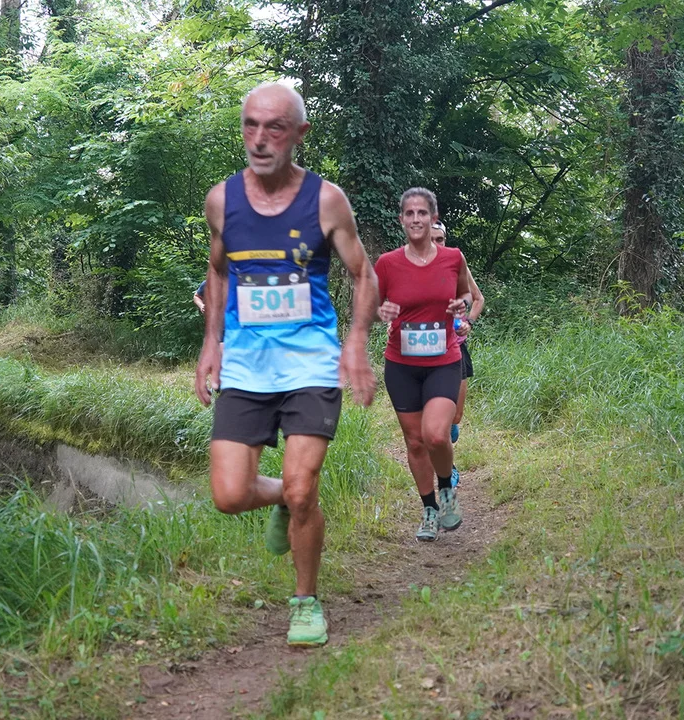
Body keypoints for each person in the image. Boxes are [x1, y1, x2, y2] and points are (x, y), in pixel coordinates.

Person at [194, 82, 378, 648]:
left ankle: (305, 602)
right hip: (247, 367)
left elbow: (363, 274)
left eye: (274, 127)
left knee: (304, 489)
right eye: (250, 125)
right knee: (229, 495)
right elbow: (218, 270)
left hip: (311, 366)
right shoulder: (221, 200)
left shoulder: (326, 200)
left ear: (299, 133)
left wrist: (356, 340)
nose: (259, 139)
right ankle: (280, 497)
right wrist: (211, 341)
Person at [375, 189, 472, 542]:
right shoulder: (387, 263)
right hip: (401, 364)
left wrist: (461, 306)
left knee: (435, 434)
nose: (416, 219)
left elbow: (466, 293)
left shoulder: (453, 257)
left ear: (433, 217)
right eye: (409, 213)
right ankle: (429, 509)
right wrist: (382, 311)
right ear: (401, 219)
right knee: (415, 442)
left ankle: (446, 488)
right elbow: (374, 305)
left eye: (422, 213)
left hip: (444, 361)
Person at [430, 222, 484, 485]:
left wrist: (469, 323)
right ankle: (447, 467)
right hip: (426, 351)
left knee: (455, 417)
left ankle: (447, 431)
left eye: (440, 239)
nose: (435, 244)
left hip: (456, 347)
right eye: (430, 239)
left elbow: (478, 298)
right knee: (434, 418)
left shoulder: (456, 263)